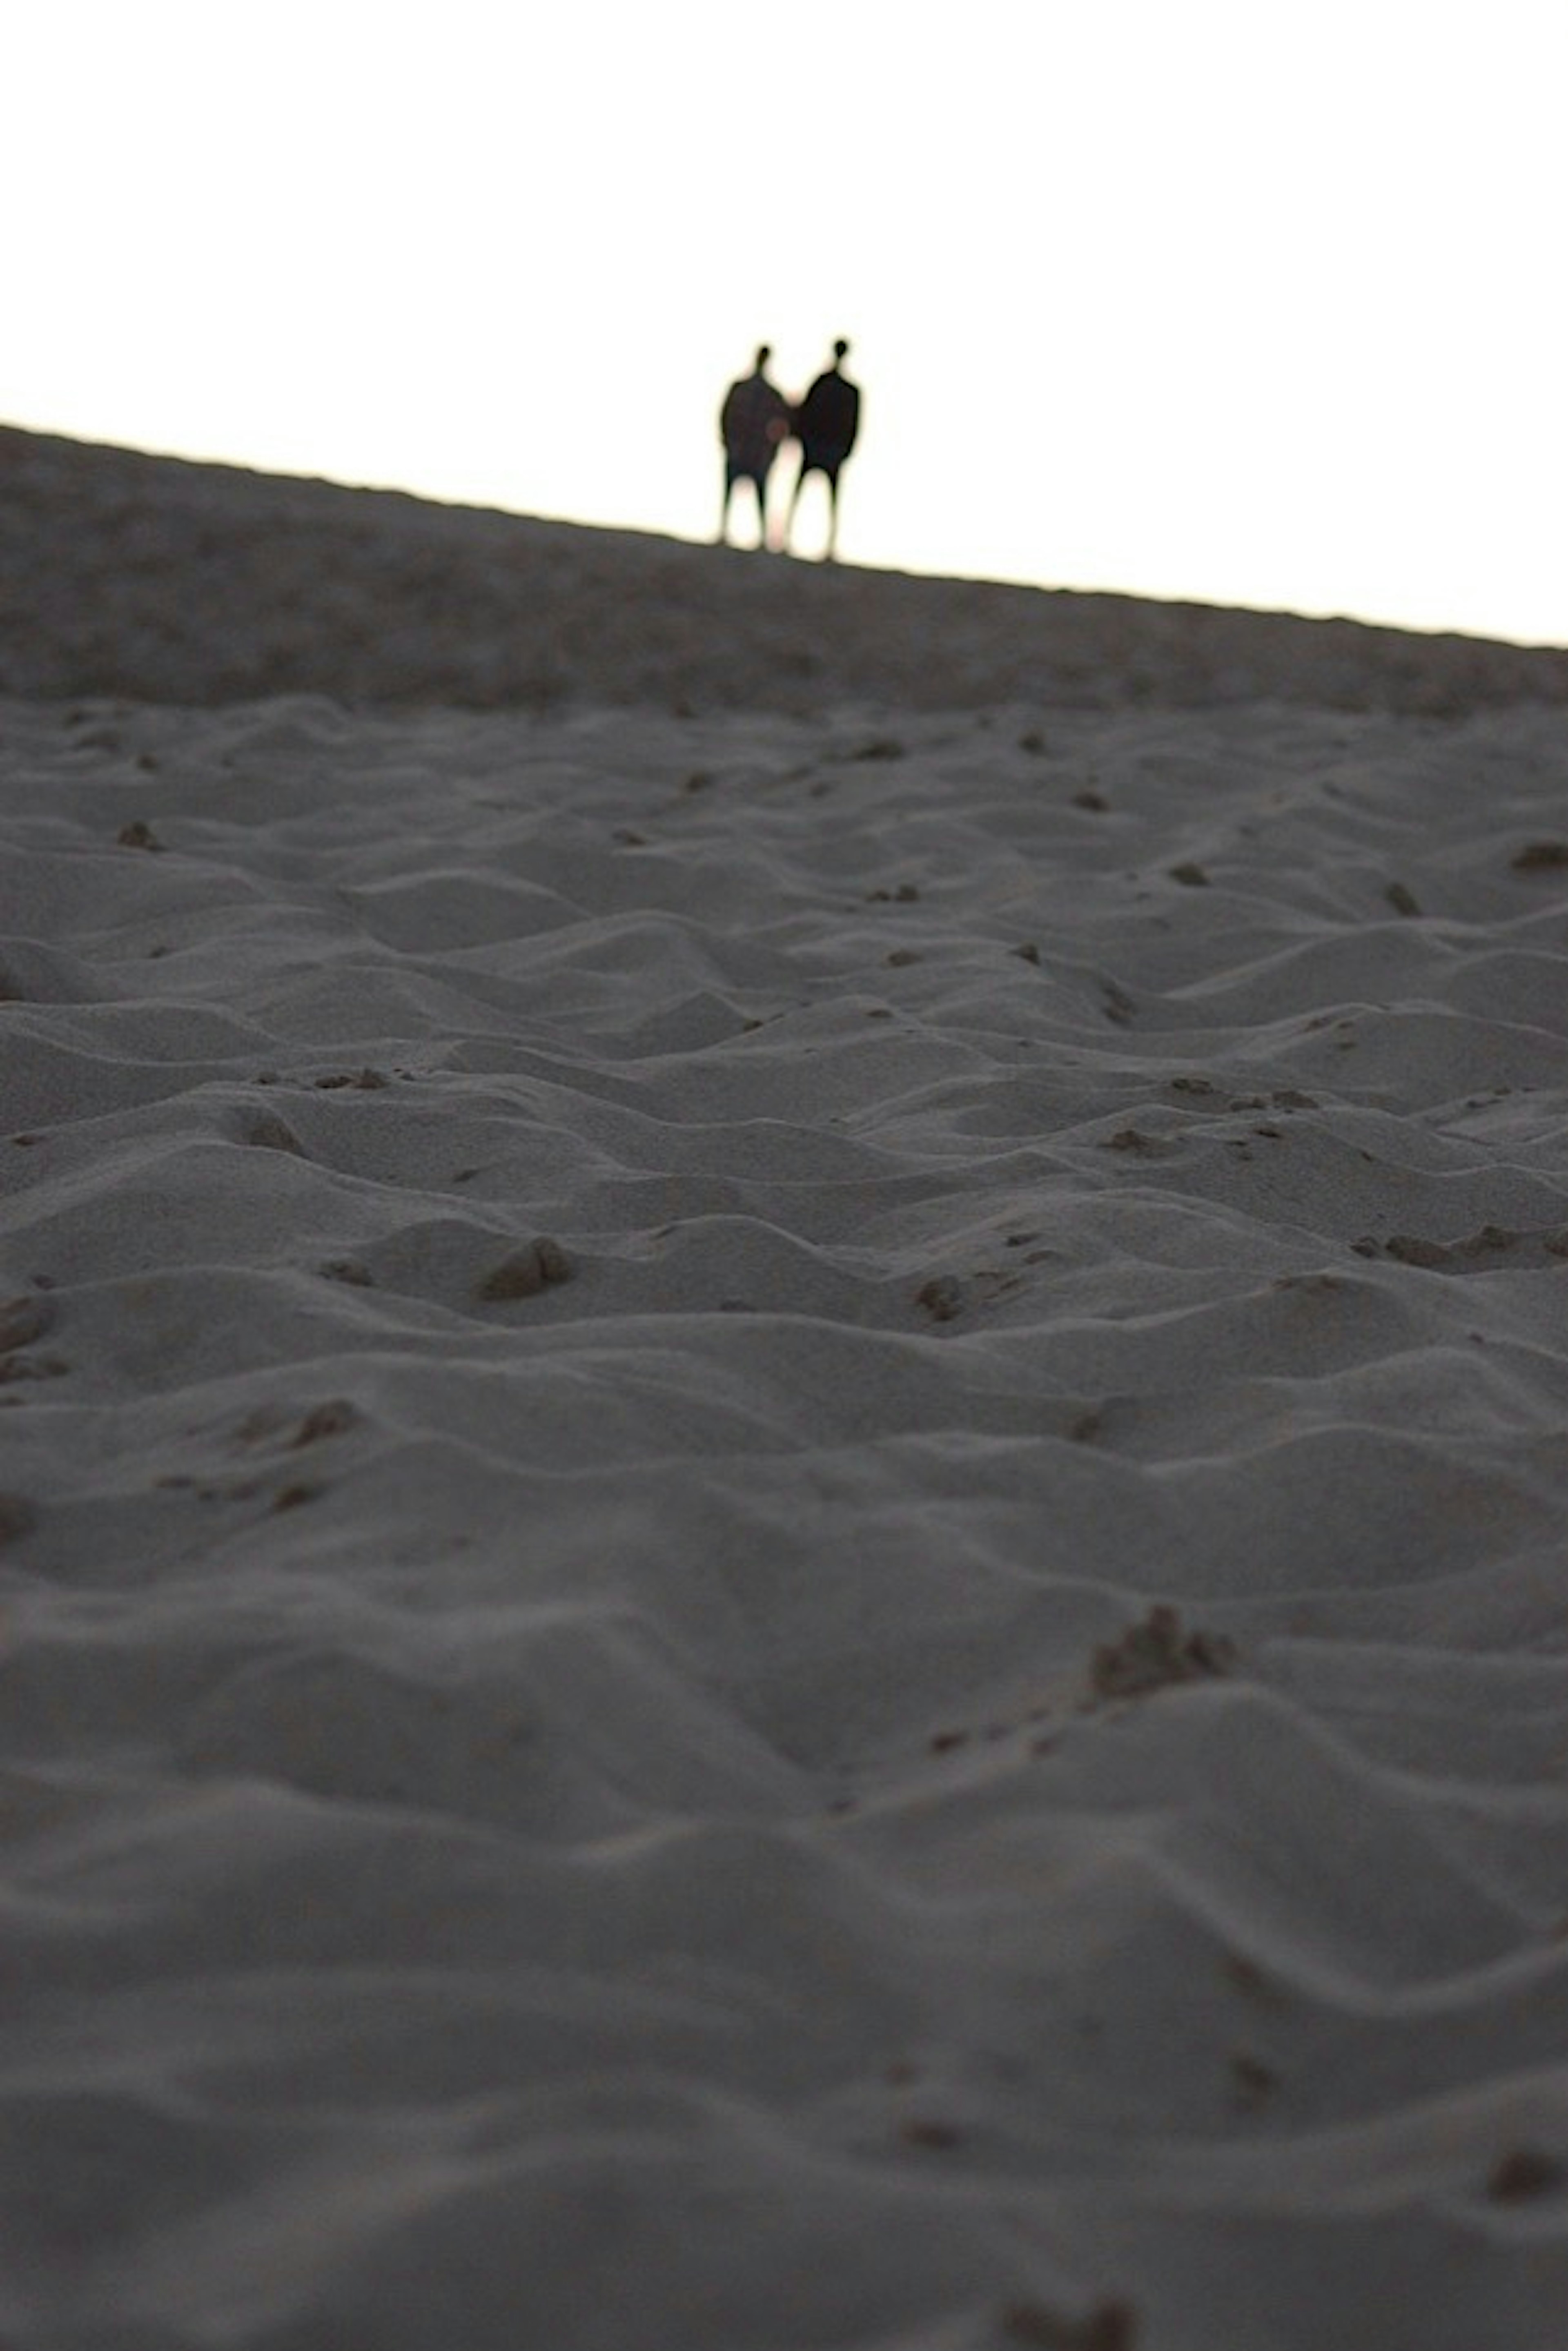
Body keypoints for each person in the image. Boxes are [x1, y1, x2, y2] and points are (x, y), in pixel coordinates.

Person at [785, 338, 861, 559]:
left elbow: (805, 413)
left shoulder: (825, 384)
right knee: (827, 499)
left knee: (810, 495)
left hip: (821, 447)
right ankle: (822, 542)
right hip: (825, 448)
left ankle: (802, 538)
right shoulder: (845, 389)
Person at [718, 346, 791, 549]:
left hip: (752, 452)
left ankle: (758, 536)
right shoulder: (763, 393)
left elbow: (783, 423)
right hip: (749, 451)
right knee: (743, 493)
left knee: (757, 496)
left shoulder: (753, 391)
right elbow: (727, 416)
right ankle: (729, 531)